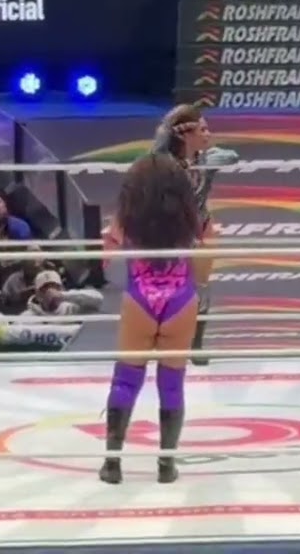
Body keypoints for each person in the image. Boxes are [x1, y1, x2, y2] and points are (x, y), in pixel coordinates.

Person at [99, 153, 202, 485]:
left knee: (125, 380)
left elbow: (103, 259)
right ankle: (166, 466)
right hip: (181, 299)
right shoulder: (194, 215)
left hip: (140, 297)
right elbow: (206, 267)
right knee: (172, 383)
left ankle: (112, 464)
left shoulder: (127, 217)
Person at [150, 104, 239, 365]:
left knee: (200, 286)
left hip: (200, 227)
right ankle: (162, 339)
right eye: (202, 130)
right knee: (167, 288)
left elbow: (232, 156)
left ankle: (196, 345)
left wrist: (210, 158)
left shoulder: (206, 159)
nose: (208, 134)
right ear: (185, 135)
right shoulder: (162, 166)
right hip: (169, 232)